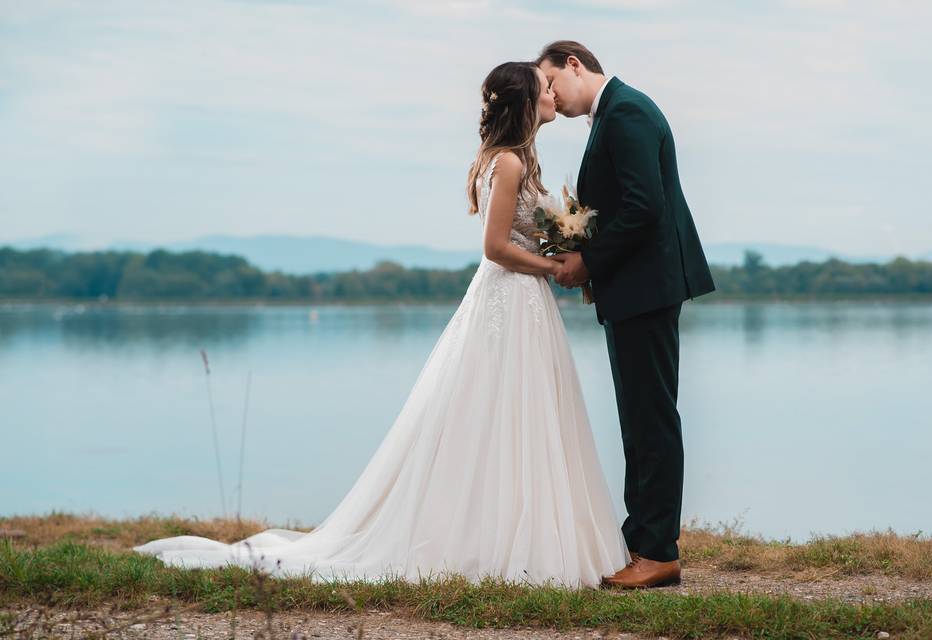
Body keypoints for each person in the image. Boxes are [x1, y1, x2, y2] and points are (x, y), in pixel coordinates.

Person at [132, 61, 631, 590]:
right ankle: (501, 537)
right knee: (502, 413)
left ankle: (515, 531)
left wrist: (561, 244)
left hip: (522, 304)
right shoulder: (508, 163)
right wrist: (554, 265)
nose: (552, 90)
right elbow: (495, 248)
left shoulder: (516, 160)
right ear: (528, 101)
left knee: (521, 414)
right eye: (543, 85)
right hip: (508, 301)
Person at [537, 41, 716, 588]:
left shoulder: (628, 110)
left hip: (647, 287)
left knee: (651, 418)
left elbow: (645, 207)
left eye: (550, 82)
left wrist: (588, 261)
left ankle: (658, 552)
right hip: (636, 288)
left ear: (573, 63)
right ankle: (641, 538)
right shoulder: (614, 113)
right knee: (638, 419)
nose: (549, 96)